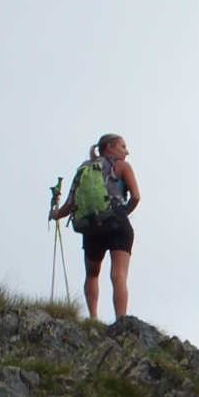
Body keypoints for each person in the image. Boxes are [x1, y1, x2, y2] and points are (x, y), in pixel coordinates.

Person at [50, 133, 141, 320]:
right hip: (118, 226)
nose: (127, 151)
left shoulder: (84, 169)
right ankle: (121, 320)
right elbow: (136, 197)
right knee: (119, 275)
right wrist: (123, 213)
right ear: (109, 147)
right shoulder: (122, 166)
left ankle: (93, 318)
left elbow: (69, 206)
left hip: (92, 228)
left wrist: (54, 214)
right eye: (123, 147)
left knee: (92, 274)